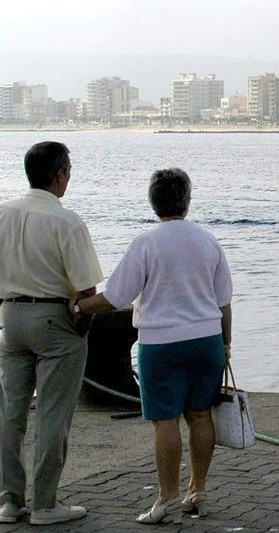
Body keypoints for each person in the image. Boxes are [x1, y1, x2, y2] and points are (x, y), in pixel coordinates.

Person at [74, 168, 232, 525]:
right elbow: (224, 302)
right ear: (187, 202)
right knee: (201, 415)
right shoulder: (208, 241)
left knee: (165, 423)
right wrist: (226, 343)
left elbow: (115, 297)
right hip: (206, 340)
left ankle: (167, 499)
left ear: (152, 203)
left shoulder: (146, 242)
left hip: (161, 343)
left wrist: (79, 306)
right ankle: (199, 491)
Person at [0, 141, 102, 526]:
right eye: (69, 170)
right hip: (53, 319)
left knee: (10, 413)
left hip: (11, 318)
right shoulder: (67, 221)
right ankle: (44, 503)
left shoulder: (2, 213)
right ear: (59, 175)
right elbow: (87, 288)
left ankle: (10, 499)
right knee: (52, 414)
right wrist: (80, 326)